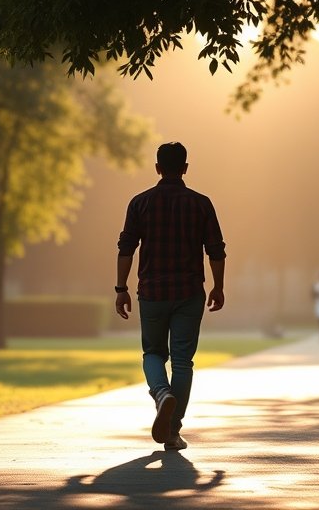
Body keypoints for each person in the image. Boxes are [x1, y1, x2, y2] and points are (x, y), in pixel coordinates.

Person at [115, 141, 226, 451]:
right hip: (189, 293)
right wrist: (218, 286)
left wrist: (121, 288)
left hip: (151, 292)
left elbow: (126, 248)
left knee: (152, 352)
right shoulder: (201, 204)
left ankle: (161, 394)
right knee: (182, 362)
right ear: (186, 168)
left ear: (157, 168)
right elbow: (215, 250)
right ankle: (173, 430)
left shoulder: (140, 203)